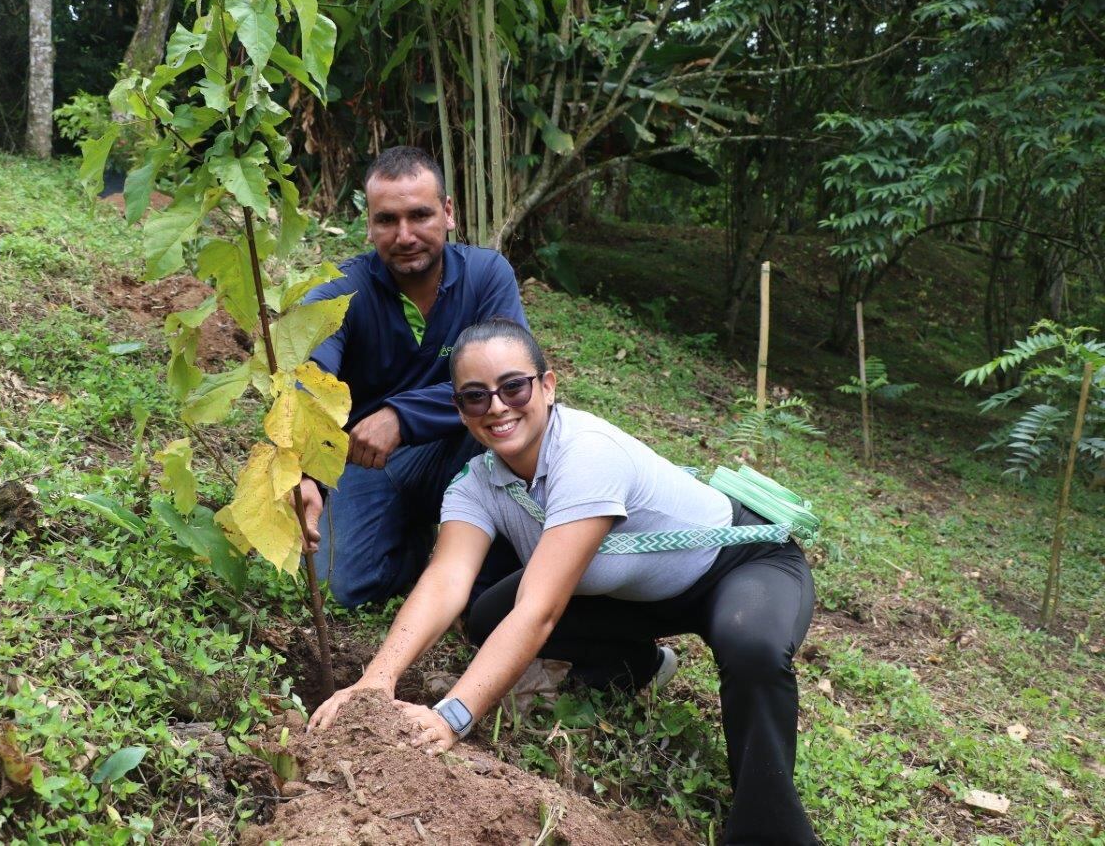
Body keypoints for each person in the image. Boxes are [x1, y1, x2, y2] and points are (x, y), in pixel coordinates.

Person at [309, 318, 818, 845]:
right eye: (476, 397)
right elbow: (446, 580)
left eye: (514, 386)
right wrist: (377, 680)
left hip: (737, 563)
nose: (498, 407)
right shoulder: (477, 483)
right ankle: (639, 666)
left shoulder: (586, 454)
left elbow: (540, 610)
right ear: (459, 409)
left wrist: (451, 717)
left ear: (547, 385)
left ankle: (773, 831)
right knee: (487, 615)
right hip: (635, 590)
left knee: (752, 647)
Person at [298, 147, 525, 609]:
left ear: (447, 213)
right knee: (343, 588)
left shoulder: (487, 275)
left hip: (461, 447)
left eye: (420, 215)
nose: (404, 235)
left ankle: (489, 591)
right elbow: (310, 380)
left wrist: (400, 415)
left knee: (514, 432)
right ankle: (416, 550)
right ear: (370, 226)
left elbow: (512, 379)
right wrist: (304, 472)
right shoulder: (339, 292)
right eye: (387, 220)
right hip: (370, 461)